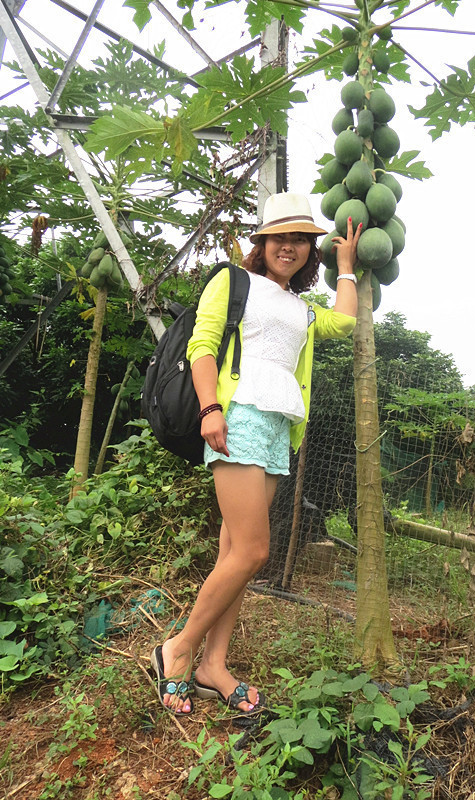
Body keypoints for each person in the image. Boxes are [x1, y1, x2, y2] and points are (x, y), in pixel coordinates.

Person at [150, 192, 360, 715]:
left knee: (234, 557)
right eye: (279, 238)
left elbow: (345, 322)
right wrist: (209, 408)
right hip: (237, 416)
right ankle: (176, 650)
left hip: (277, 428)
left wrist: (347, 266)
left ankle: (212, 666)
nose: (289, 248)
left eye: (300, 241)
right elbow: (202, 345)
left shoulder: (300, 307)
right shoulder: (233, 281)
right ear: (261, 243)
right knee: (254, 552)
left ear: (310, 251)